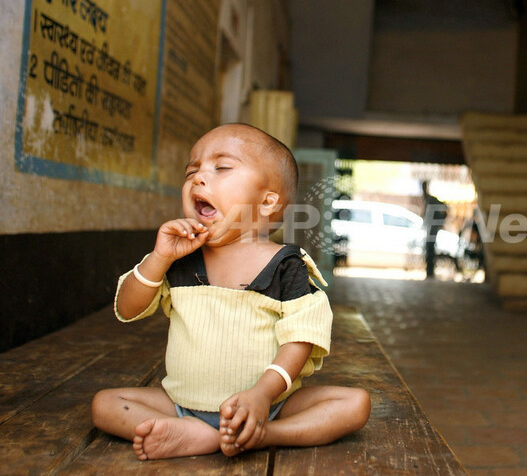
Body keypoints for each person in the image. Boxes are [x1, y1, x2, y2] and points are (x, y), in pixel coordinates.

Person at [91, 123, 370, 460]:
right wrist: (158, 258)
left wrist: (263, 395)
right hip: (182, 403)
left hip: (270, 406)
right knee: (105, 404)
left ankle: (264, 434)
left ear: (267, 202)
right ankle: (204, 434)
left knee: (355, 404)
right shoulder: (179, 260)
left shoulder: (285, 265)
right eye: (191, 170)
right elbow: (128, 307)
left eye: (221, 168)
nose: (198, 177)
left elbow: (301, 339)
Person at [420, 180, 447, 278]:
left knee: (430, 249)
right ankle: (429, 271)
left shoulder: (431, 199)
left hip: (432, 228)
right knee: (429, 249)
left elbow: (444, 206)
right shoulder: (427, 199)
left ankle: (430, 271)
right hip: (429, 228)